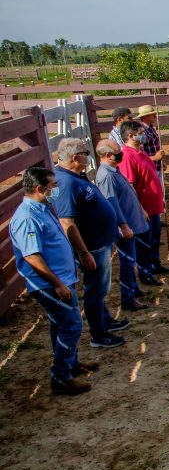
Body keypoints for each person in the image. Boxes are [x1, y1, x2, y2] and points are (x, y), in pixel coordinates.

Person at [9, 167, 98, 395]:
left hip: (63, 278)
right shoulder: (27, 217)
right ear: (40, 189)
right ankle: (61, 376)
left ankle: (70, 363)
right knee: (72, 324)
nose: (56, 189)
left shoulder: (42, 208)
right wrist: (57, 283)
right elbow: (31, 256)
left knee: (60, 323)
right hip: (50, 284)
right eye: (53, 186)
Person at [53, 138, 127, 348]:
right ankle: (99, 334)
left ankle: (105, 321)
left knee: (100, 288)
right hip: (92, 246)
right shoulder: (65, 183)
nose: (89, 156)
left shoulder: (75, 175)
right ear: (75, 158)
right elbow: (67, 221)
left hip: (99, 242)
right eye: (86, 153)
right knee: (96, 290)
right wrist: (83, 253)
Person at [94, 139, 151, 310]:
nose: (121, 153)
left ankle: (133, 289)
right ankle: (127, 298)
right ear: (107, 155)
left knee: (131, 260)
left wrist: (140, 209)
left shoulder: (114, 170)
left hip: (130, 222)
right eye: (117, 150)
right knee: (127, 262)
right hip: (124, 226)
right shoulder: (106, 176)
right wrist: (123, 225)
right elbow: (112, 204)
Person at [117, 121, 169, 279]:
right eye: (140, 132)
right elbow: (129, 186)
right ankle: (145, 272)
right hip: (144, 208)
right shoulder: (127, 156)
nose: (144, 135)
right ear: (131, 136)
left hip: (153, 205)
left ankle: (154, 264)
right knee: (144, 242)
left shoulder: (141, 152)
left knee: (154, 238)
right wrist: (140, 208)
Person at [134, 105, 165, 177]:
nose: (155, 116)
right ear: (146, 116)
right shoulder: (141, 131)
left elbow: (156, 146)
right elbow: (139, 154)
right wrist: (155, 158)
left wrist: (162, 162)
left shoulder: (151, 128)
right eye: (153, 114)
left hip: (156, 166)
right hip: (149, 168)